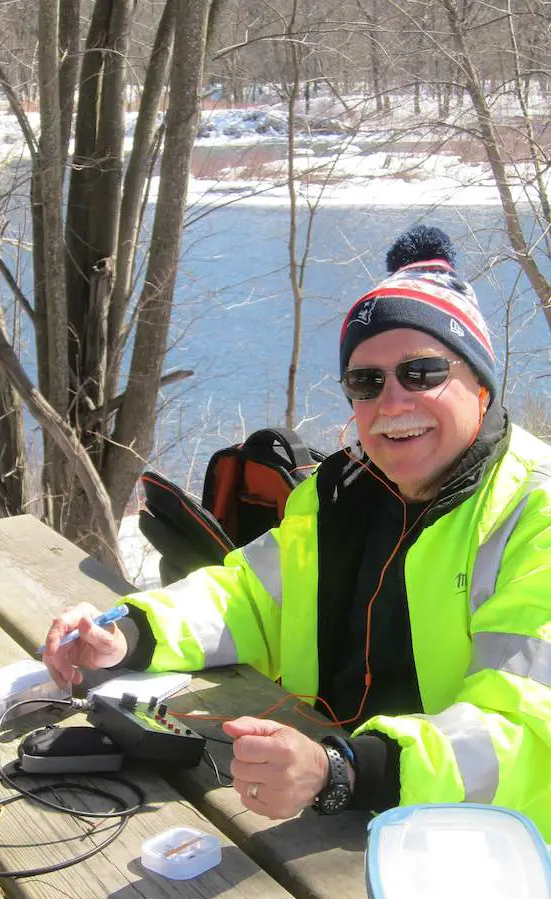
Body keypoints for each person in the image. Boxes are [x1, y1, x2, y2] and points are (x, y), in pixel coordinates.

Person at [43, 225, 551, 840]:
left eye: (421, 373)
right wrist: (129, 634)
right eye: (366, 382)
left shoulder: (532, 512)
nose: (391, 403)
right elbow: (255, 599)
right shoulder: (342, 495)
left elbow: (525, 730)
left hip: (488, 855)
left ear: (480, 381)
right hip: (326, 808)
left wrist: (344, 770)